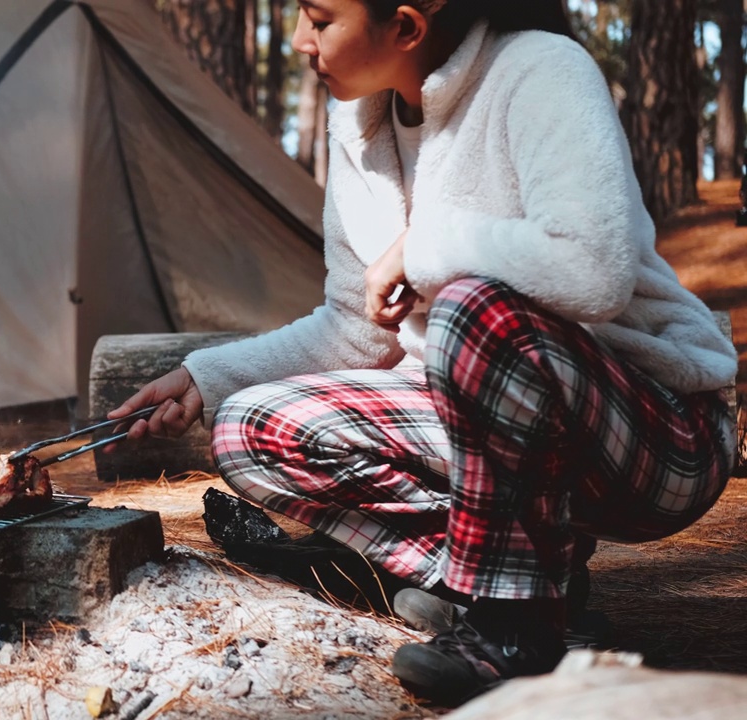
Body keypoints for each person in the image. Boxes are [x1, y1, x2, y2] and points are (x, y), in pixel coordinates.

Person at [108, 0, 737, 707]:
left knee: (476, 308)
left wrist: (426, 244)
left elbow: (593, 270)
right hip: (490, 425)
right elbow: (358, 330)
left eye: (320, 19)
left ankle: (514, 630)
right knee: (249, 426)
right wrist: (205, 376)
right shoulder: (357, 126)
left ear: (406, 25)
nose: (300, 41)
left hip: (659, 435)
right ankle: (515, 585)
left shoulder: (541, 72)